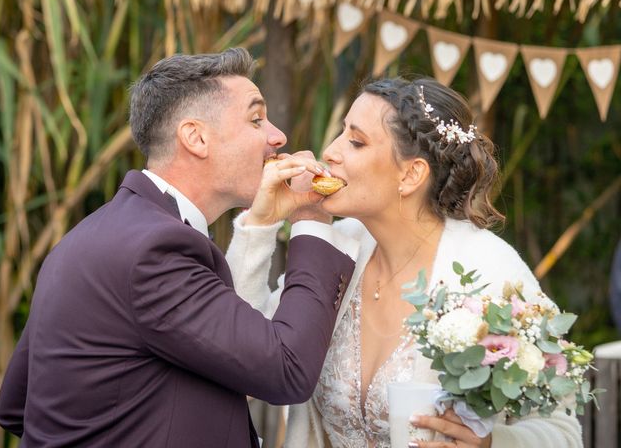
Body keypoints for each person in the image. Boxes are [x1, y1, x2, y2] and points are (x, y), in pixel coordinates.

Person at [0, 48, 359, 447]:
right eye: (256, 119)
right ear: (196, 137)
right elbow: (288, 368)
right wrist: (310, 220)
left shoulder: (87, 238)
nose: (278, 137)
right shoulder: (156, 251)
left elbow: (17, 405)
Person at [226, 77, 583, 447]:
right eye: (340, 133)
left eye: (356, 141)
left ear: (411, 175)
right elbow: (245, 350)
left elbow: (563, 431)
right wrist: (261, 223)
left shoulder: (491, 272)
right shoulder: (338, 249)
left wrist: (493, 443)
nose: (329, 152)